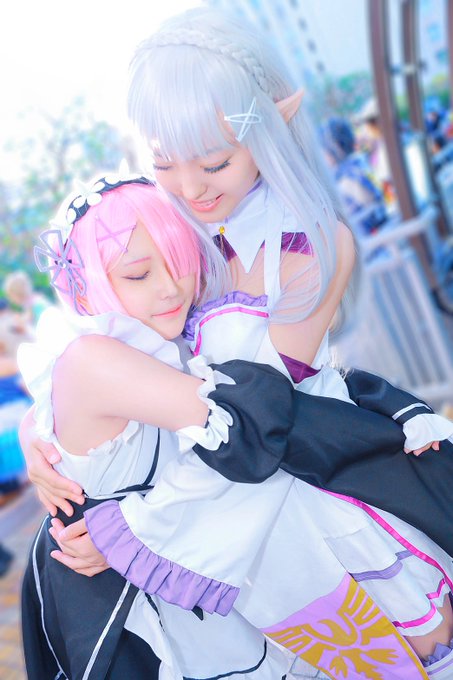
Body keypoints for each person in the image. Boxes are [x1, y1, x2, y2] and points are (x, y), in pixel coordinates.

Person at [19, 7, 453, 679]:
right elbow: (105, 345)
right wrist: (44, 433)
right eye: (164, 162)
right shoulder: (173, 229)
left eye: (215, 161)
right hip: (211, 518)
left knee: (399, 661)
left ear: (272, 125)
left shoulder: (310, 245)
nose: (191, 187)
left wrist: (131, 533)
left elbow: (257, 424)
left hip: (299, 494)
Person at [319, 117, 387, 237]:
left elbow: (371, 209)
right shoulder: (357, 162)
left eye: (323, 149)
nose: (322, 155)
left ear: (334, 148)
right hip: (378, 231)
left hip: (374, 238)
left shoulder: (346, 177)